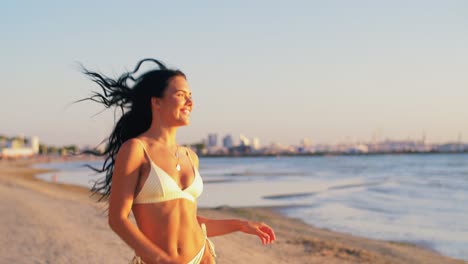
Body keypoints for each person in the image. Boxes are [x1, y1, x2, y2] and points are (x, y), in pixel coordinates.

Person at [81, 58, 276, 264]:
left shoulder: (190, 156)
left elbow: (189, 222)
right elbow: (118, 219)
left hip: (204, 256)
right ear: (156, 102)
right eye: (181, 95)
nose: (189, 102)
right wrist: (160, 259)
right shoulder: (136, 150)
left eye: (190, 96)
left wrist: (240, 224)